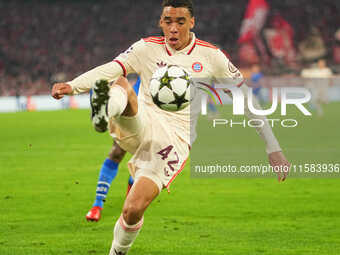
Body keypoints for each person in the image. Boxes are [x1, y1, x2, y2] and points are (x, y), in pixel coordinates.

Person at [51, 1, 290, 254]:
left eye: (180, 22)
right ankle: (104, 110)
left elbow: (246, 99)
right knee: (120, 80)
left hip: (174, 138)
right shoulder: (146, 48)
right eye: (168, 22)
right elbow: (113, 66)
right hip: (142, 119)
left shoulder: (211, 56)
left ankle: (116, 252)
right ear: (160, 23)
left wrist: (272, 146)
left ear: (192, 23)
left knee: (132, 210)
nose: (173, 28)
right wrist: (74, 85)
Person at [86, 77, 140, 222]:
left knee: (143, 162)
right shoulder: (141, 59)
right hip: (130, 109)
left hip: (153, 116)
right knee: (117, 153)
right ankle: (97, 206)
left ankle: (130, 203)